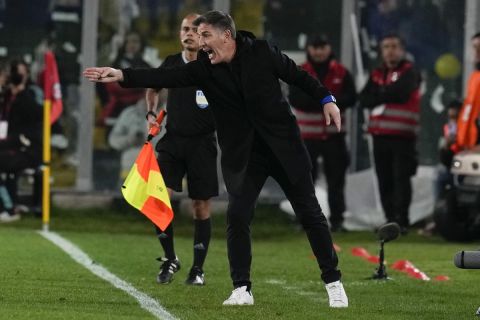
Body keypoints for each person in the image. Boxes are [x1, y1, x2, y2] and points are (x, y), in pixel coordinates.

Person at [84, 10, 348, 308]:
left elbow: (299, 76)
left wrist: (328, 100)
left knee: (310, 213)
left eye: (205, 35)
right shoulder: (203, 68)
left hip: (284, 148)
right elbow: (165, 76)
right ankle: (241, 289)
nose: (200, 42)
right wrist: (122, 75)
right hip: (246, 155)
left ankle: (333, 283)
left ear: (226, 35)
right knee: (237, 216)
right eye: (198, 36)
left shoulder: (261, 52)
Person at [144, 13, 218, 286]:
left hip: (203, 143)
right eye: (184, 29)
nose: (188, 33)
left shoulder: (213, 65)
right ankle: (170, 258)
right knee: (160, 201)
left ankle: (197, 269)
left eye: (194, 30)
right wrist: (151, 113)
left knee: (200, 206)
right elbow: (153, 88)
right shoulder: (172, 63)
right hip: (173, 141)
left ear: (203, 35)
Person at [288, 34, 356, 232]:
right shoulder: (300, 71)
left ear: (329, 48)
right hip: (307, 137)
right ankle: (306, 221)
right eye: (314, 47)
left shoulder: (342, 72)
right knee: (305, 181)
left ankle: (337, 220)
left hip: (335, 137)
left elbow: (351, 97)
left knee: (337, 181)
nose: (318, 51)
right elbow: (295, 99)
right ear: (308, 49)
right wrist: (327, 101)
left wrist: (323, 100)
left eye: (322, 47)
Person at [359, 33, 421, 234]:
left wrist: (379, 94)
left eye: (394, 46)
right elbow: (364, 98)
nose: (390, 50)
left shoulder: (410, 71)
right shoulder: (377, 73)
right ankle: (389, 220)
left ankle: (402, 220)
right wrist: (383, 94)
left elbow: (400, 93)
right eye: (386, 46)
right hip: (380, 135)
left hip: (403, 136)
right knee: (384, 178)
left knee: (401, 179)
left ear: (402, 50)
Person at [0, 60, 43, 222]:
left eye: (21, 73)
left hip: (27, 149)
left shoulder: (30, 94)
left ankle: (9, 209)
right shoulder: (6, 96)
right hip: (9, 146)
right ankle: (9, 206)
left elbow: (40, 115)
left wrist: (21, 92)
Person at [453, 32, 480, 151]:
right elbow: (469, 113)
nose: (476, 53)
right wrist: (457, 145)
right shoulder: (474, 78)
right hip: (469, 147)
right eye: (474, 48)